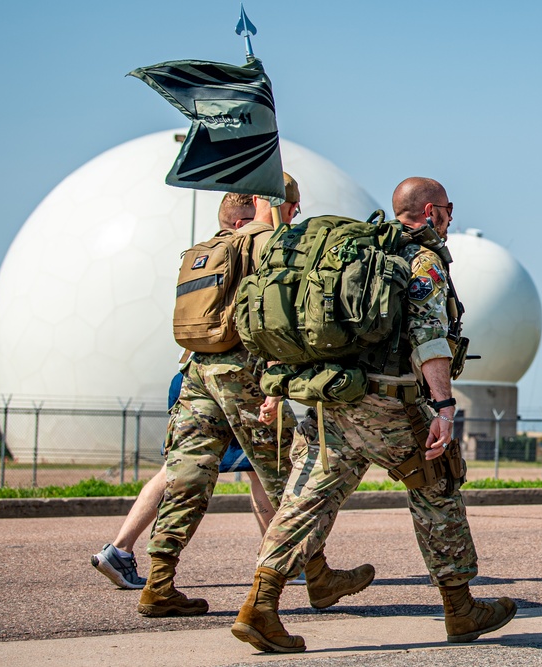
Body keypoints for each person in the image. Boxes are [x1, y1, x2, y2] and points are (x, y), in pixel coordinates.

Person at [231, 177, 516, 653]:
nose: (450, 217)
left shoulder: (355, 253)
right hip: (388, 405)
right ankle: (460, 606)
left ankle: (260, 606)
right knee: (436, 487)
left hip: (331, 403)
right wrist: (444, 407)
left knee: (305, 502)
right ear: (431, 213)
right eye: (447, 209)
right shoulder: (421, 260)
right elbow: (430, 337)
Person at [137, 175, 374, 617]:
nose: (296, 212)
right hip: (244, 375)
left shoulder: (208, 248)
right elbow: (274, 318)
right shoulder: (269, 243)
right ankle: (313, 579)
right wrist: (273, 384)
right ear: (274, 202)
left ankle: (158, 582)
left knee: (186, 475)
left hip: (196, 370)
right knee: (292, 480)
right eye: (293, 204)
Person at [92, 193, 273, 590]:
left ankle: (121, 549)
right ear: (244, 221)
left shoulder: (204, 254)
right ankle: (281, 558)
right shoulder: (247, 253)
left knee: (177, 468)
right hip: (234, 377)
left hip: (191, 371)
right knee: (266, 467)